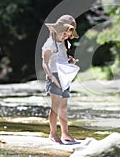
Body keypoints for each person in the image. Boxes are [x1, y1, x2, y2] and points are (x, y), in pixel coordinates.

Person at [42, 15, 79, 144]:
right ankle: (52, 134)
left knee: (63, 107)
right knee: (55, 107)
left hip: (64, 76)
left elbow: (61, 57)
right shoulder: (50, 43)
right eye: (64, 34)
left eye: (68, 36)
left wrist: (70, 61)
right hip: (54, 76)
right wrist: (51, 77)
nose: (65, 37)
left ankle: (65, 133)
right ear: (58, 29)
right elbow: (45, 63)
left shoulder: (63, 42)